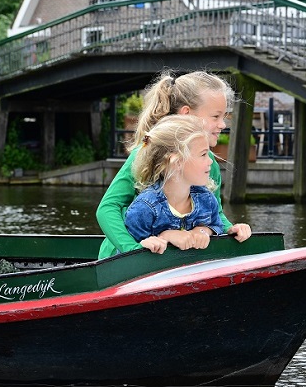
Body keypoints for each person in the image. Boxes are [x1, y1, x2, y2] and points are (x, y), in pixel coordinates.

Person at [96, 70, 252, 257]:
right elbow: (108, 208)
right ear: (187, 114)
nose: (222, 125)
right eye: (215, 116)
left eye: (224, 117)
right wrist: (133, 249)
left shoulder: (210, 166)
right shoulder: (144, 155)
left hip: (174, 256)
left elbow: (214, 211)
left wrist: (230, 229)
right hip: (124, 256)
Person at [124, 115, 223, 253]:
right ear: (177, 163)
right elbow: (128, 254)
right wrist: (165, 236)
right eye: (203, 154)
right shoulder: (144, 209)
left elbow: (217, 225)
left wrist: (203, 231)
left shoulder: (207, 199)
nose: (210, 161)